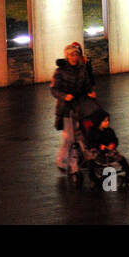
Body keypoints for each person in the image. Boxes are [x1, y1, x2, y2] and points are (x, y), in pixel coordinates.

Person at [50, 42, 95, 172]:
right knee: (70, 138)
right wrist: (65, 96)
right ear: (67, 57)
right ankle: (65, 162)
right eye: (71, 55)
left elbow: (87, 84)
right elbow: (54, 89)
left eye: (76, 54)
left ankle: (85, 158)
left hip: (80, 105)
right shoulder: (60, 71)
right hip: (66, 108)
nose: (74, 57)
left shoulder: (82, 69)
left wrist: (90, 91)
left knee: (82, 133)